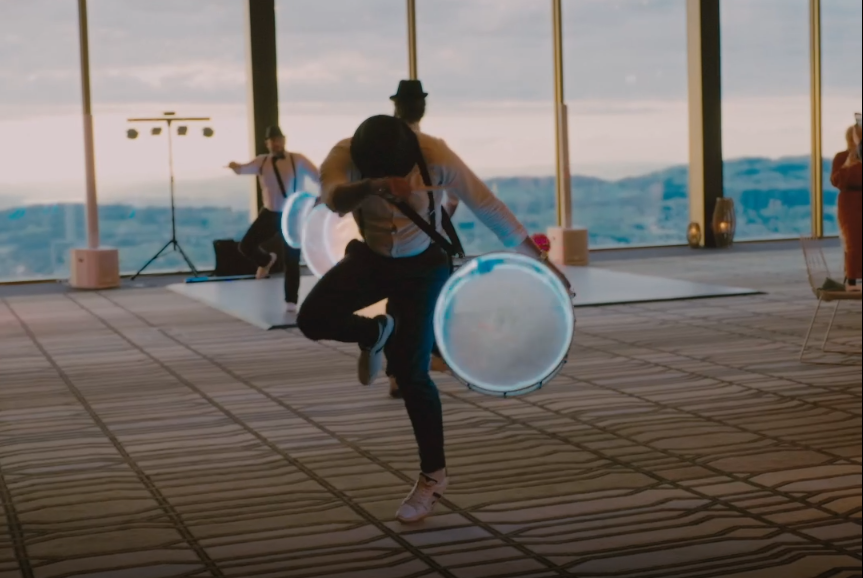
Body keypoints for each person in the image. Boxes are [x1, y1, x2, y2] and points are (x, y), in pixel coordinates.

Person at [297, 115, 571, 524]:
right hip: (371, 258)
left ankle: (433, 477)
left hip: (423, 267)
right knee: (312, 318)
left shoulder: (436, 155)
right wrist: (373, 187)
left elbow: (489, 208)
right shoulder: (343, 155)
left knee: (411, 374)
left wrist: (544, 264)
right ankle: (374, 330)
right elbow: (335, 199)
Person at [387, 80, 458, 399]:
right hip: (428, 245)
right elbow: (454, 198)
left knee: (399, 308)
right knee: (428, 305)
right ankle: (424, 361)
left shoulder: (381, 144)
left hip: (393, 243)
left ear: (395, 106)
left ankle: (399, 373)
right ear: (423, 107)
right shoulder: (435, 147)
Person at [229, 126, 320, 312]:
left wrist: (320, 198)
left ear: (284, 140)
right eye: (272, 140)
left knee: (292, 259)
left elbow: (318, 177)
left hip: (294, 214)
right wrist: (235, 166)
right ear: (267, 143)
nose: (276, 143)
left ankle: (291, 301)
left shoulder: (298, 159)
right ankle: (266, 260)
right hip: (270, 213)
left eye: (279, 139)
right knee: (246, 245)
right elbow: (243, 169)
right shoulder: (262, 162)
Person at [830, 123, 862, 288]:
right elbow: (836, 181)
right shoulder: (842, 157)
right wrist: (849, 164)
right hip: (849, 200)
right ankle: (851, 279)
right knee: (853, 239)